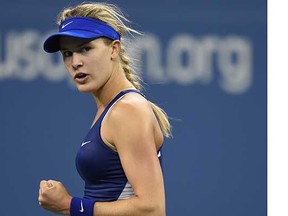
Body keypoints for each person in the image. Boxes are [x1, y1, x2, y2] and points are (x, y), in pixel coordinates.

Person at [38, 2, 172, 216]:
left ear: (114, 49)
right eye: (67, 54)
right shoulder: (111, 109)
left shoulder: (127, 111)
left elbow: (151, 209)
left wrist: (69, 205)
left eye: (85, 49)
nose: (75, 62)